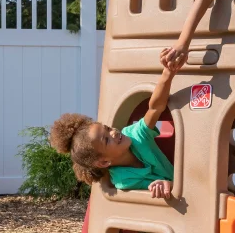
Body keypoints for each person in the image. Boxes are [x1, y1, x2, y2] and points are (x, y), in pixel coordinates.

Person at [50, 55, 175, 199]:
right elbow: (158, 191)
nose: (114, 133)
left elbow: (154, 108)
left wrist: (168, 72)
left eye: (108, 129)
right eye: (107, 140)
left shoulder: (135, 134)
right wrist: (163, 185)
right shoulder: (124, 180)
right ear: (104, 162)